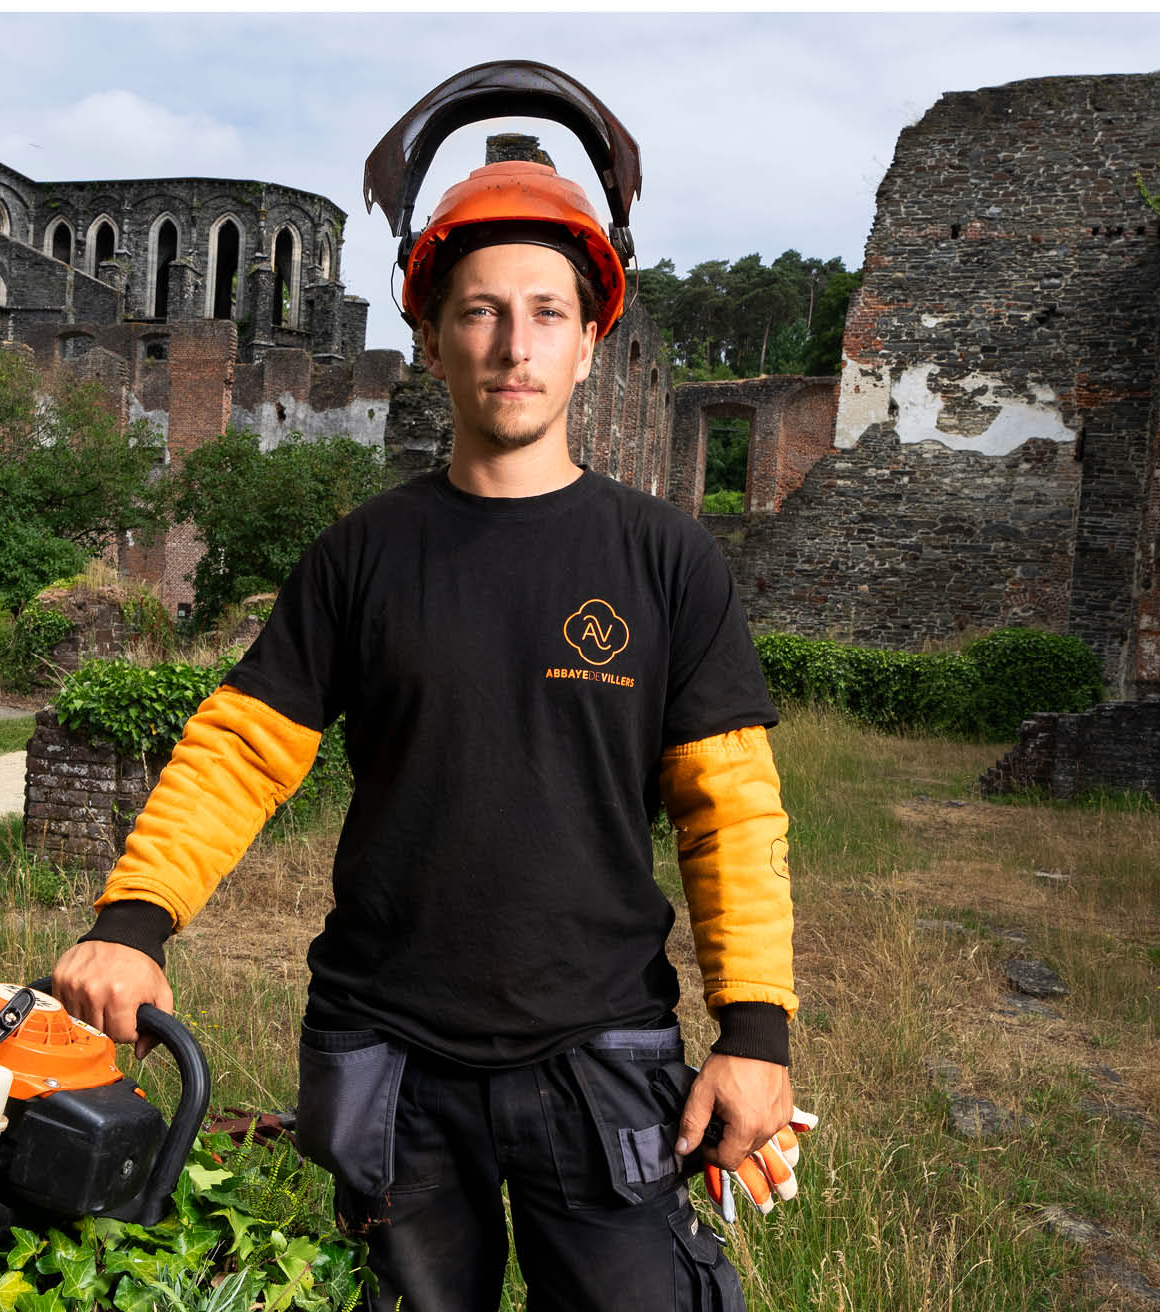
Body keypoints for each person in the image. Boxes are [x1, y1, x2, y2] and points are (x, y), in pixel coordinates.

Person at [54, 148, 797, 1311]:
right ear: (436, 335)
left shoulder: (665, 559)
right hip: (392, 1062)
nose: (514, 344)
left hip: (600, 1054)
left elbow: (731, 812)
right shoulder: (363, 557)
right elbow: (239, 751)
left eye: (547, 313)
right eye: (482, 313)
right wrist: (131, 923)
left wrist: (755, 1031)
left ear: (588, 338)